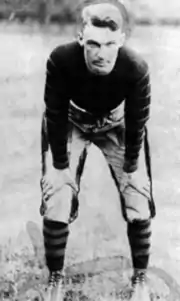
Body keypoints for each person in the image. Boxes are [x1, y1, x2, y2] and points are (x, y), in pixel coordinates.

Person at [40, 0, 156, 300]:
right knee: (57, 190)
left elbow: (137, 121)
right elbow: (53, 114)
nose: (100, 53)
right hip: (72, 120)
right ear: (80, 39)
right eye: (92, 43)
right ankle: (55, 279)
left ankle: (140, 279)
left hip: (118, 123)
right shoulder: (61, 60)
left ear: (122, 40)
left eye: (108, 44)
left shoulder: (135, 68)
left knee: (137, 190)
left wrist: (131, 165)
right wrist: (61, 166)